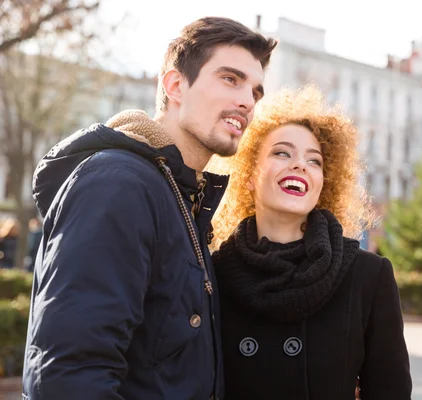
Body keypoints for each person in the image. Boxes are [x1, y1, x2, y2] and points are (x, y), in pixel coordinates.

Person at [22, 17, 277, 399]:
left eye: (255, 92)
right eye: (230, 79)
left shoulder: (179, 196)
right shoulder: (118, 183)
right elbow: (70, 374)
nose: (247, 101)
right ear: (175, 85)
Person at [207, 85, 412, 399]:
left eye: (314, 161)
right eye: (282, 153)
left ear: (323, 184)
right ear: (248, 175)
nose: (300, 165)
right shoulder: (214, 273)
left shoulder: (368, 276)